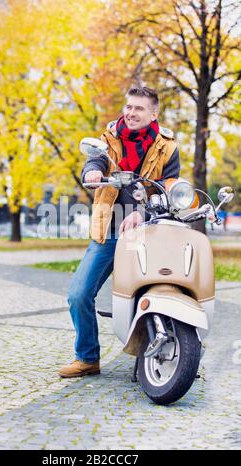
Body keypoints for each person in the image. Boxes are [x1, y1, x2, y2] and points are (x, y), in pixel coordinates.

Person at [59, 86, 180, 378]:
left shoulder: (168, 147)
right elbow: (95, 160)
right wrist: (91, 171)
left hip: (151, 230)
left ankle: (176, 354)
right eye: (128, 106)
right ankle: (88, 358)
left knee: (164, 291)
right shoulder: (109, 138)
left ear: (154, 113)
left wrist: (143, 212)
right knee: (78, 294)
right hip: (110, 229)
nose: (131, 113)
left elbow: (171, 187)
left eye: (139, 108)